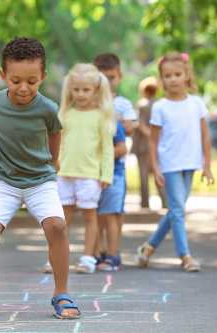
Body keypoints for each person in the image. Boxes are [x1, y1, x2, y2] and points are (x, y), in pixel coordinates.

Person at [0, 37, 80, 319]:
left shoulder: (47, 108)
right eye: (15, 81)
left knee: (57, 226)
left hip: (40, 180)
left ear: (43, 77)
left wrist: (54, 159)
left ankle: (61, 294)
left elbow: (55, 131)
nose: (24, 88)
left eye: (32, 81)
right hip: (4, 180)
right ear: (3, 75)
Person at [136, 52, 214, 273]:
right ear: (162, 79)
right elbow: (153, 141)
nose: (173, 79)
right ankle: (185, 256)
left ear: (186, 75)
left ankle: (148, 248)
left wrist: (207, 165)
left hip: (190, 163)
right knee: (178, 211)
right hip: (169, 164)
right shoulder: (160, 107)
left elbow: (205, 136)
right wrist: (156, 166)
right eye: (168, 75)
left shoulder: (197, 104)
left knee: (175, 212)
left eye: (177, 74)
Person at [42, 64, 114, 275]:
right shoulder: (65, 114)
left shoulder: (101, 116)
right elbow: (57, 143)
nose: (80, 94)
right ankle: (55, 258)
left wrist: (106, 173)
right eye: (76, 89)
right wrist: (51, 167)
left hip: (90, 175)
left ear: (95, 90)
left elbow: (107, 148)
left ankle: (88, 258)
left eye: (86, 90)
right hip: (64, 174)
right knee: (60, 219)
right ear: (70, 90)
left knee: (90, 218)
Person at [93, 53, 137, 268]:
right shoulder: (90, 102)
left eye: (110, 78)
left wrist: (115, 120)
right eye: (101, 78)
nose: (106, 83)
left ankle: (113, 253)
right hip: (92, 168)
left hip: (115, 169)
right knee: (96, 213)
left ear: (118, 76)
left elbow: (129, 127)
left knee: (113, 213)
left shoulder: (122, 103)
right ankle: (97, 252)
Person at [95, 119, 127, 271]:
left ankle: (112, 256)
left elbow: (122, 148)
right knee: (95, 216)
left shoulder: (112, 123)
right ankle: (97, 253)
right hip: (91, 175)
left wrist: (98, 155)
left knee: (110, 215)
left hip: (114, 175)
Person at [133, 76, 166, 209]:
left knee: (143, 175)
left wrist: (149, 136)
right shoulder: (161, 104)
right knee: (158, 173)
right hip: (158, 145)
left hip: (143, 145)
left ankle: (145, 203)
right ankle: (165, 201)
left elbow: (141, 124)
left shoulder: (142, 105)